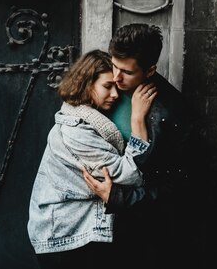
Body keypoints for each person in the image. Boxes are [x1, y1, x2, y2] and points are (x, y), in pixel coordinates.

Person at [82, 23, 206, 268]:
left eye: (126, 72)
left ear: (149, 71)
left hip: (141, 231)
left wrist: (119, 198)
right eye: (114, 65)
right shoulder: (104, 85)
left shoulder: (173, 112)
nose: (116, 77)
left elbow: (182, 186)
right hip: (92, 220)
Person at [26, 49, 157, 269]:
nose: (115, 94)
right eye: (107, 86)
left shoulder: (85, 118)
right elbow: (130, 175)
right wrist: (137, 121)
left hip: (70, 234)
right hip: (66, 240)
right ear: (87, 85)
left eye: (116, 86)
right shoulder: (76, 131)